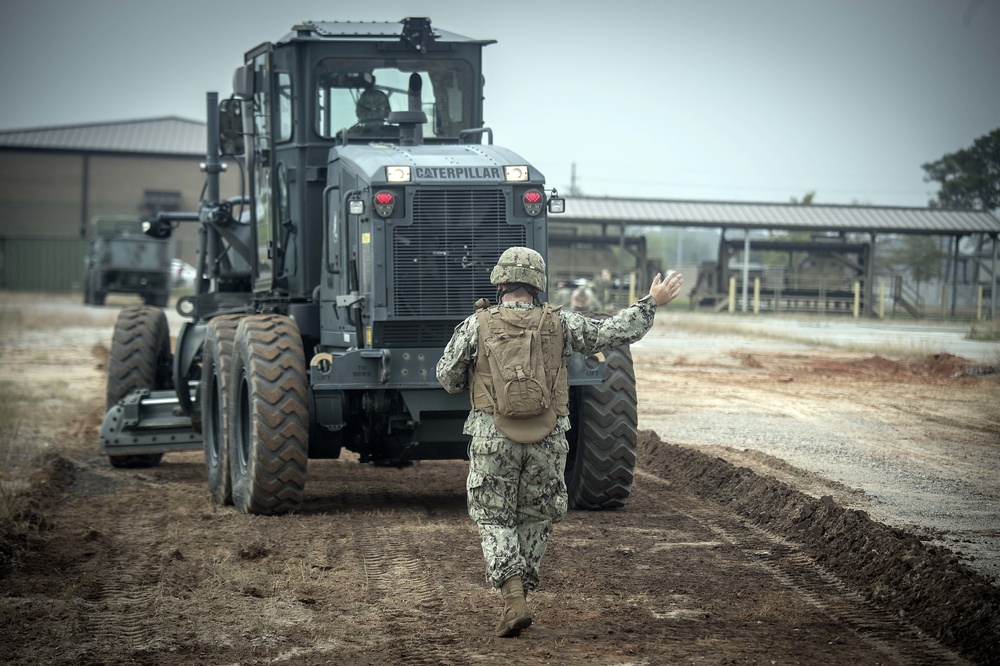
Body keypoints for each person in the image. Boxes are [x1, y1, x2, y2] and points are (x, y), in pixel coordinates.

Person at [435, 247, 683, 638]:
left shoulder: (476, 324)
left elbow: (447, 377)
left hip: (493, 437)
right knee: (536, 516)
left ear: (501, 283)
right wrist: (653, 302)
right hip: (548, 439)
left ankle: (513, 597)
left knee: (493, 517)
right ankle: (524, 594)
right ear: (537, 285)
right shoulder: (561, 323)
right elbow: (614, 333)